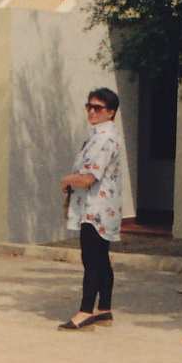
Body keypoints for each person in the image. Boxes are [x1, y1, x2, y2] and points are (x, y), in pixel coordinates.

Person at [58, 87, 123, 330]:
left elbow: (89, 177)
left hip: (96, 208)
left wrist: (66, 180)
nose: (92, 112)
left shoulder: (105, 138)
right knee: (100, 258)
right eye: (89, 107)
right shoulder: (99, 135)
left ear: (111, 112)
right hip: (97, 206)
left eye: (98, 108)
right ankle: (104, 308)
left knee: (92, 258)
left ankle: (86, 311)